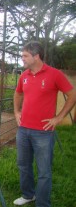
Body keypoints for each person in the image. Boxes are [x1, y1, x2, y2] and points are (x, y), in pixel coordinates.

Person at [13, 41, 76, 206]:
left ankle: (42, 203)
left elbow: (72, 95)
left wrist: (59, 117)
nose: (22, 59)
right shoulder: (24, 75)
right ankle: (28, 195)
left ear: (36, 56)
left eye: (25, 56)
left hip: (43, 132)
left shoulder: (54, 74)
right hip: (23, 130)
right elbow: (18, 94)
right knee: (23, 165)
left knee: (44, 171)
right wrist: (16, 112)